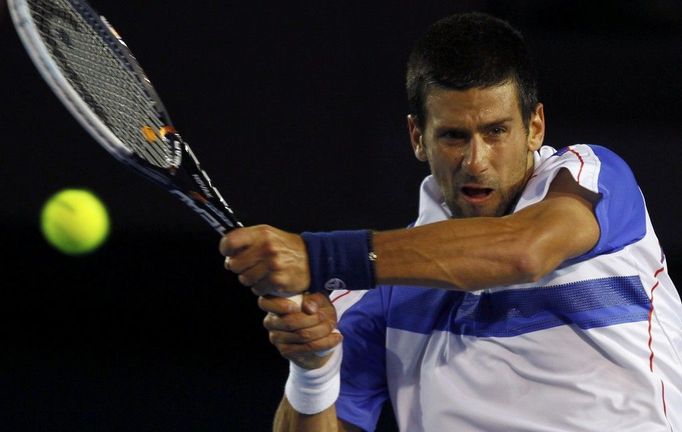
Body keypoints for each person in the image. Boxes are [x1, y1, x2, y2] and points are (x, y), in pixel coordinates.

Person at [219, 11, 682, 432]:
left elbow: (523, 252)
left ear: (535, 127)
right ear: (418, 137)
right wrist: (312, 372)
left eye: (496, 131)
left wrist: (318, 257)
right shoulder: (373, 290)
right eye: (455, 136)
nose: (476, 161)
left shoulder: (590, 178)